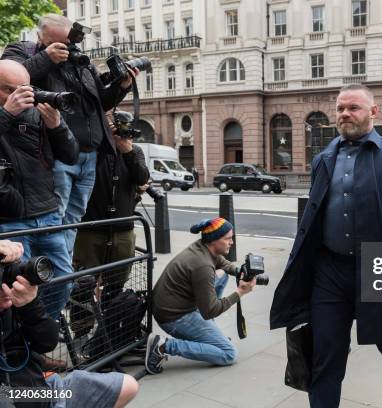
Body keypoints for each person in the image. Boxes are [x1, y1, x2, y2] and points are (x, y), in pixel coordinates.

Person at [270, 84, 382, 408]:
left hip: (380, 267)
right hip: (330, 272)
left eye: (353, 107)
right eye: (340, 108)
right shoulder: (324, 158)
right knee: (324, 356)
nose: (345, 114)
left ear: (373, 112)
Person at [1, 13, 138, 255]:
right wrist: (47, 58)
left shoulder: (81, 63)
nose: (68, 48)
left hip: (89, 153)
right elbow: (15, 79)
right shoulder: (24, 50)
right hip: (57, 151)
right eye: (59, 43)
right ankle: (47, 274)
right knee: (56, 218)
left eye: (70, 43)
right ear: (41, 37)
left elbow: (101, 103)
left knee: (74, 218)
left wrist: (122, 85)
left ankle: (61, 271)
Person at [0, 239, 139, 408]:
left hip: (41, 392)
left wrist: (30, 305)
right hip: (12, 394)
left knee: (127, 385)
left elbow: (47, 342)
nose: (6, 285)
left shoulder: (15, 297)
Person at [0, 60, 78, 320]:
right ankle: (22, 353)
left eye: (26, 87)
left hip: (47, 215)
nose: (24, 95)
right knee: (17, 290)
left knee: (63, 280)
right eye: (12, 89)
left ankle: (39, 340)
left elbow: (70, 155)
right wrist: (7, 114)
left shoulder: (38, 112)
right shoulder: (8, 112)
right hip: (10, 222)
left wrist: (57, 126)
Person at [146, 217, 256, 374]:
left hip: (171, 304)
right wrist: (240, 292)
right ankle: (163, 346)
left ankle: (211, 338)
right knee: (229, 354)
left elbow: (222, 263)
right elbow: (210, 311)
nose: (232, 242)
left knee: (223, 275)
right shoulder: (202, 266)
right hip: (174, 317)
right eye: (228, 239)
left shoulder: (203, 247)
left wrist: (239, 271)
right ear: (213, 240)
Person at [72, 111, 149, 309]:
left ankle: (109, 326)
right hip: (91, 230)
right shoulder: (95, 150)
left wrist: (128, 152)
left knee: (116, 284)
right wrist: (106, 144)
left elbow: (142, 178)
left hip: (123, 231)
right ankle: (82, 330)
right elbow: (84, 173)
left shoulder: (136, 151)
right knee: (83, 285)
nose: (125, 134)